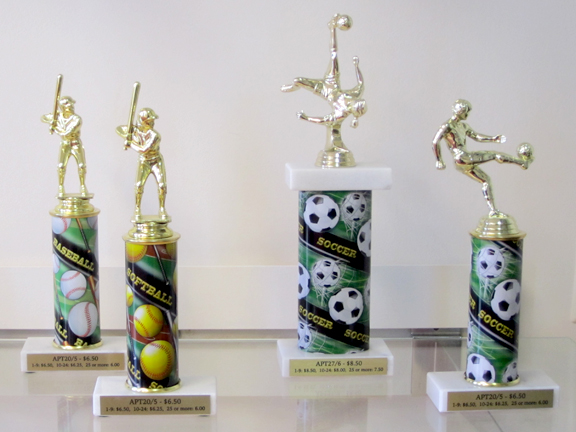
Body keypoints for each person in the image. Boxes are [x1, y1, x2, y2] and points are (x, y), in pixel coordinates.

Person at [282, 14, 366, 166]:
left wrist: (306, 118)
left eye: (357, 105)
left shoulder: (341, 113)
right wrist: (356, 66)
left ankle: (295, 85)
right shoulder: (353, 94)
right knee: (333, 55)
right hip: (332, 81)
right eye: (359, 102)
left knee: (299, 80)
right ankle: (332, 28)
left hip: (324, 91)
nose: (356, 102)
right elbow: (361, 83)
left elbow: (324, 120)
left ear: (354, 110)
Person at [432, 99, 533, 216]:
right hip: (463, 157)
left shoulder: (463, 126)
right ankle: (521, 162)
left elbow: (477, 137)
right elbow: (435, 142)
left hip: (462, 163)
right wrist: (439, 160)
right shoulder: (447, 126)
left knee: (486, 181)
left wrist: (492, 139)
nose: (467, 114)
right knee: (495, 155)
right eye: (466, 112)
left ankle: (493, 211)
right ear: (460, 111)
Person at [116, 108, 168, 220]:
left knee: (162, 185)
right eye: (149, 121)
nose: (152, 123)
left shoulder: (155, 135)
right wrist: (128, 133)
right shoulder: (136, 131)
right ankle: (137, 208)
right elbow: (119, 129)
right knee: (139, 185)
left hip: (156, 161)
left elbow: (144, 149)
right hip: (144, 162)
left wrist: (130, 143)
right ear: (143, 122)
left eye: (152, 121)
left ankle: (162, 209)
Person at [41, 96, 88, 196]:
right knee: (61, 166)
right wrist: (52, 121)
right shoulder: (58, 117)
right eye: (67, 104)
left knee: (81, 165)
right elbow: (43, 118)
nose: (71, 106)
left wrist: (55, 128)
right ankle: (61, 186)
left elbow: (66, 133)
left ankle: (83, 186)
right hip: (65, 144)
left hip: (75, 143)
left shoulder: (77, 119)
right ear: (62, 107)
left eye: (71, 104)